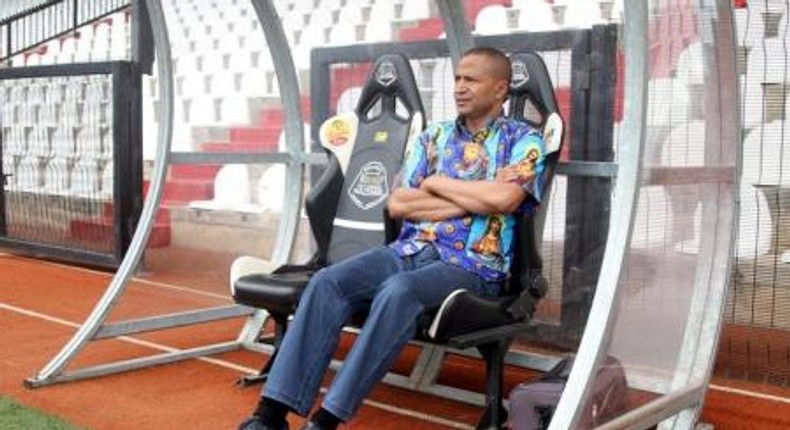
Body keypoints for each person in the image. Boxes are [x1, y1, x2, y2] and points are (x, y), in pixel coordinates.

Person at [239, 47, 547, 430]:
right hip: (409, 249)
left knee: (399, 291)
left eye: (472, 79)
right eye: (457, 79)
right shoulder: (434, 136)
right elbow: (399, 202)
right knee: (326, 282)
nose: (460, 88)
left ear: (500, 89)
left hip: (472, 263)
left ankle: (327, 420)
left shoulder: (525, 139)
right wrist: (471, 201)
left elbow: (505, 198)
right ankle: (270, 415)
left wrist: (436, 184)